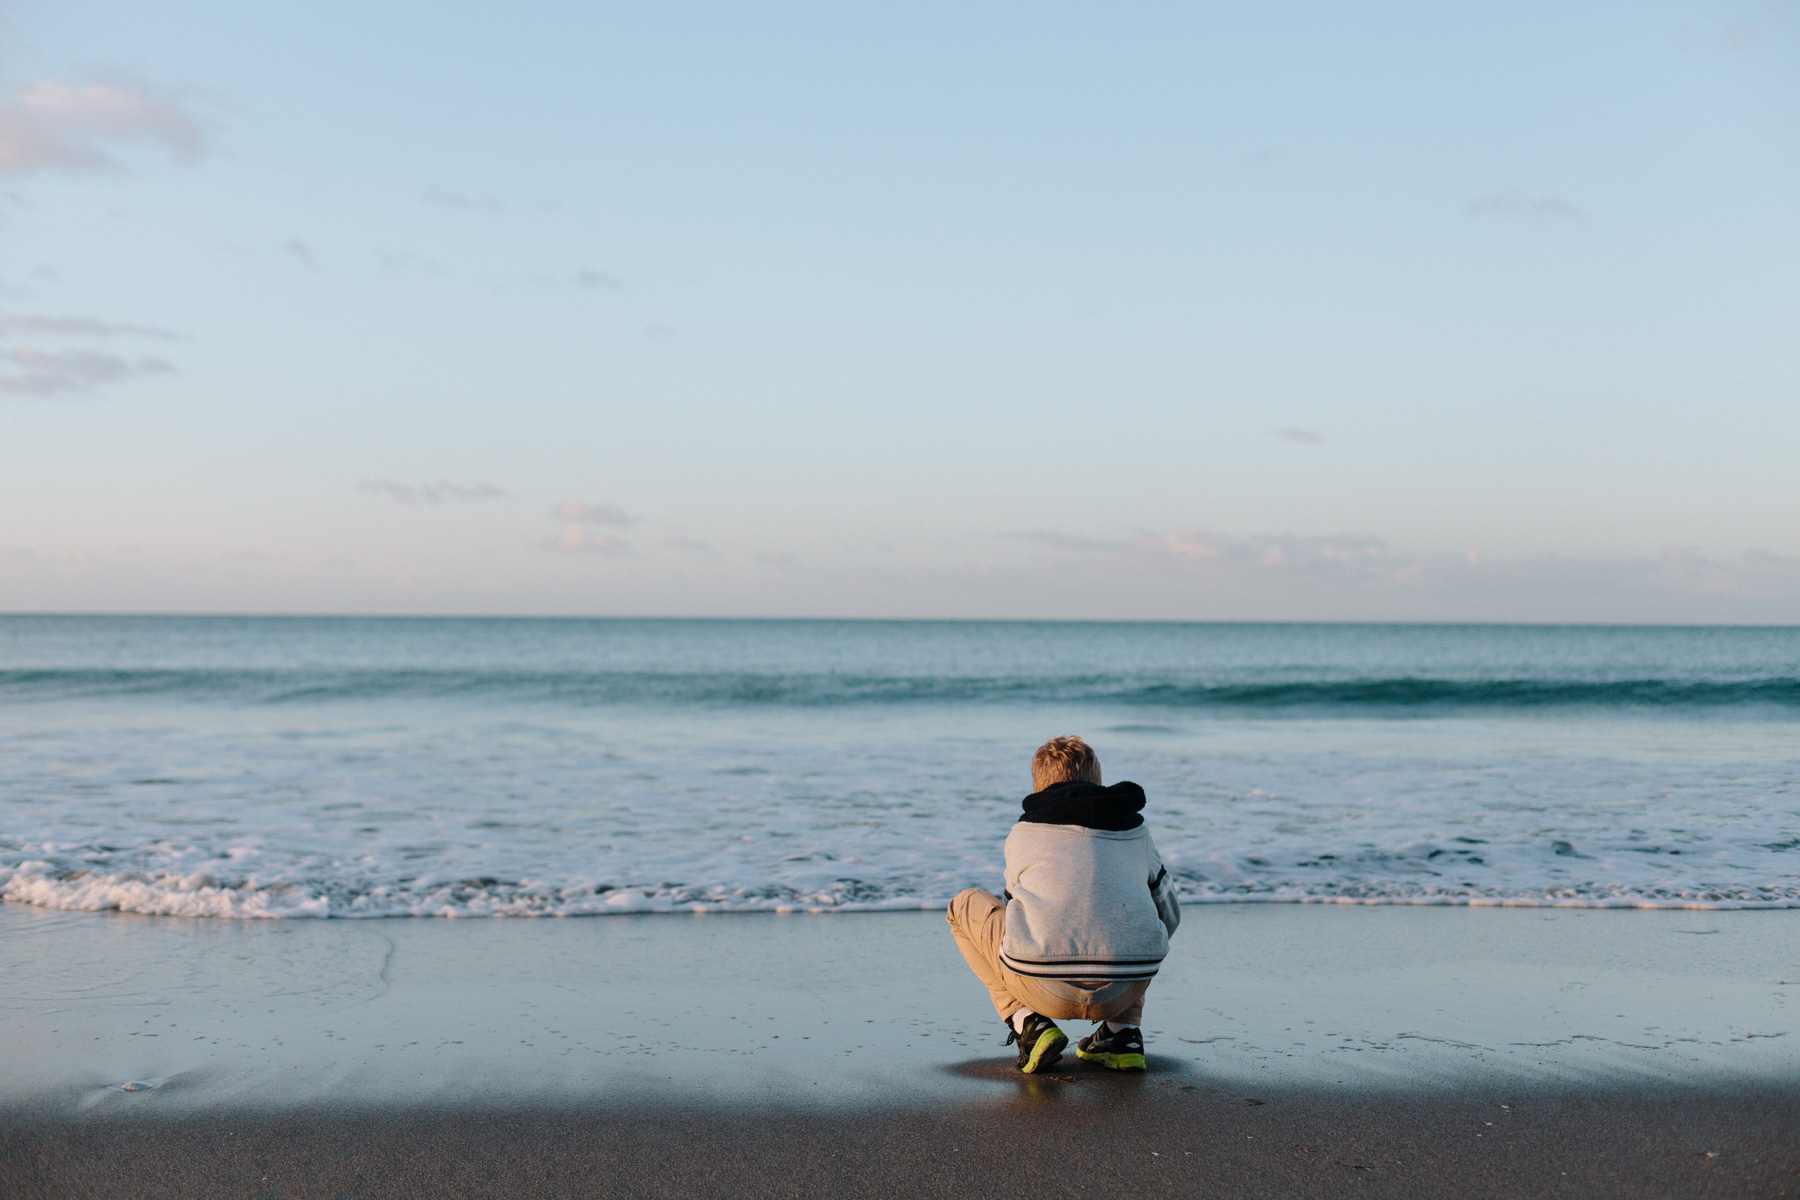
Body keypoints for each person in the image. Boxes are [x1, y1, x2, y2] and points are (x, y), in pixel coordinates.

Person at [947, 735, 1181, 1073]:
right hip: (1125, 988)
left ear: (1039, 786)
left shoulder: (1023, 832)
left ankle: (1029, 1023)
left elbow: (1017, 918)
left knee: (961, 906)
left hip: (1042, 985)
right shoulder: (1135, 831)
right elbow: (1170, 915)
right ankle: (1123, 1034)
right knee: (1128, 912)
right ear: (1097, 780)